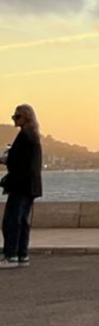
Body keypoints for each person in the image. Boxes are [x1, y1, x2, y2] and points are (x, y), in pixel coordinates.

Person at [2, 104, 43, 267]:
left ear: (26, 118)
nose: (14, 120)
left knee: (12, 220)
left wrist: (5, 158)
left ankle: (11, 255)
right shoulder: (34, 136)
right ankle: (22, 255)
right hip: (31, 185)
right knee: (23, 221)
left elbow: (17, 161)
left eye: (17, 117)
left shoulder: (24, 136)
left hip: (21, 185)